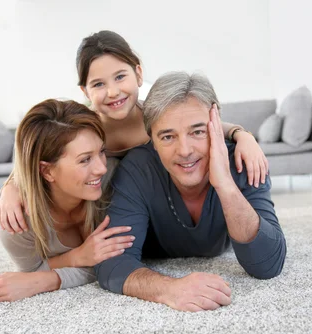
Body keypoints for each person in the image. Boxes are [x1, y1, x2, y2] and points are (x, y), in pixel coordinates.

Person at [0, 30, 269, 234]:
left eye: (120, 77)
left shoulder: (155, 114)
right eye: (98, 84)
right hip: (113, 209)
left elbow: (202, 128)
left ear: (138, 74)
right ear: (85, 92)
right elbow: (40, 151)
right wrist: (9, 187)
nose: (113, 92)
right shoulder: (85, 129)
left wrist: (242, 135)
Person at [94, 72, 287, 312]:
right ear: (151, 140)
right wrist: (169, 289)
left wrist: (225, 185)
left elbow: (268, 263)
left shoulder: (243, 160)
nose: (184, 150)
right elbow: (111, 263)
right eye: (167, 136)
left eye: (198, 132)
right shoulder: (138, 168)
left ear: (216, 127)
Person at [0, 99, 135, 302]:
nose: (101, 168)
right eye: (85, 159)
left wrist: (49, 280)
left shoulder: (115, 183)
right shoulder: (18, 225)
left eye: (101, 152)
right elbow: (33, 270)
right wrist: (78, 257)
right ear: (46, 170)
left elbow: (116, 258)